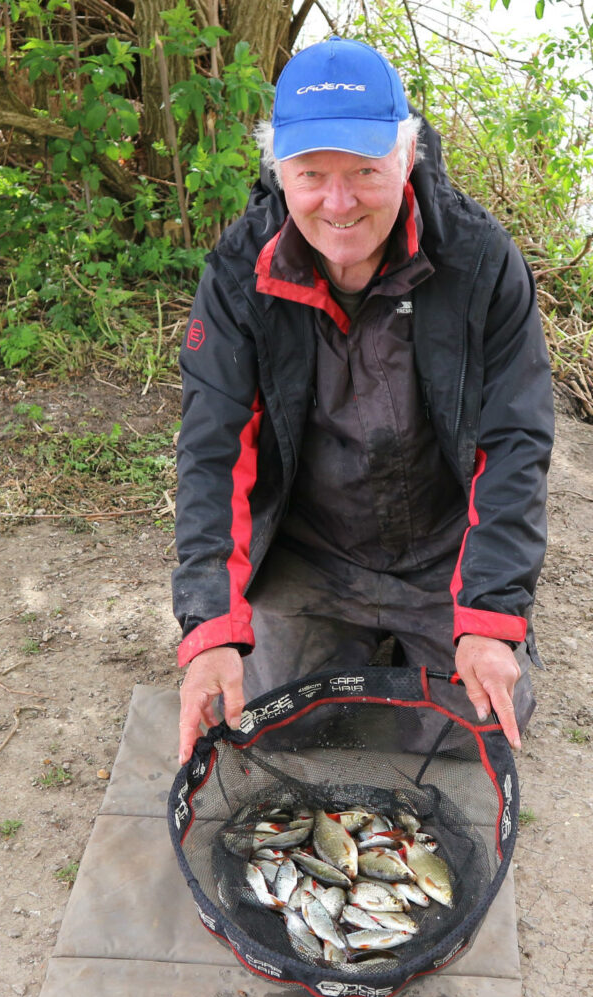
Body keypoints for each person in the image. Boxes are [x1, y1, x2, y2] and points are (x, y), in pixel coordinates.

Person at [172, 36, 554, 766]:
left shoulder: (481, 262)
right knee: (258, 721)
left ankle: (444, 629)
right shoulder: (235, 273)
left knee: (467, 734)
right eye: (312, 174)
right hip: (312, 552)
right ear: (278, 169)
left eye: (365, 172)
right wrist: (211, 628)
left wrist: (488, 613)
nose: (338, 203)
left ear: (406, 158)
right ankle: (345, 635)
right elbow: (213, 453)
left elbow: (514, 444)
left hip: (443, 551)